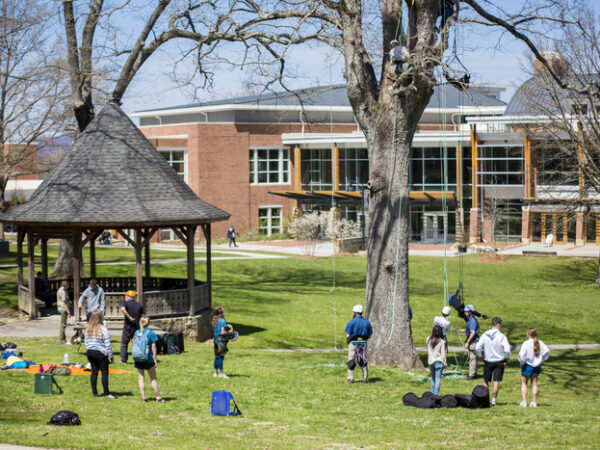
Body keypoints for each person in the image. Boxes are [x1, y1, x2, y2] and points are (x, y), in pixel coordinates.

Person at [475, 317, 511, 406]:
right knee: (496, 381)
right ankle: (494, 401)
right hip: (499, 360)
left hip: (488, 360)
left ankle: (485, 399)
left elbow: (477, 347)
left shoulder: (485, 334)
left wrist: (480, 356)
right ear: (498, 324)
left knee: (485, 380)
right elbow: (507, 349)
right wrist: (507, 358)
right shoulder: (502, 336)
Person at [133, 316, 164, 403]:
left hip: (138, 358)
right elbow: (154, 347)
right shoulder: (151, 333)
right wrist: (155, 359)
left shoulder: (136, 332)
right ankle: (158, 397)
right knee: (153, 378)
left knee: (141, 378)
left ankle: (143, 398)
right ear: (148, 323)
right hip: (148, 358)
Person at [84, 310, 114, 399]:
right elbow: (108, 344)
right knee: (104, 373)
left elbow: (86, 342)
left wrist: (89, 349)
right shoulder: (103, 329)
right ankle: (106, 393)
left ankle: (95, 392)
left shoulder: (88, 329)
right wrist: (110, 356)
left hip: (90, 352)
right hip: (100, 352)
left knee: (94, 372)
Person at [517, 328, 549, 408]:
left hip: (528, 364)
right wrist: (541, 359)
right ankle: (534, 402)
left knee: (524, 383)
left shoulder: (526, 343)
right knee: (534, 384)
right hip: (537, 365)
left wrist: (521, 362)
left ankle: (524, 402)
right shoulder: (540, 343)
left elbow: (521, 355)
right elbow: (547, 352)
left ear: (528, 334)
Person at [344, 304, 373, 384]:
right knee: (363, 361)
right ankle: (365, 377)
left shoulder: (352, 322)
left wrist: (347, 341)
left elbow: (348, 335)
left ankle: (350, 378)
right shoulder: (367, 322)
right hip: (363, 343)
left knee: (351, 361)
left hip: (353, 342)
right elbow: (370, 334)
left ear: (355, 313)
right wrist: (365, 340)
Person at [120, 290, 143, 364]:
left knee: (124, 344)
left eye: (126, 296)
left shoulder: (126, 303)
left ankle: (123, 360)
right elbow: (142, 316)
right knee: (136, 344)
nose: (125, 298)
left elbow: (122, 309)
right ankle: (138, 359)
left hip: (127, 327)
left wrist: (129, 317)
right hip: (136, 328)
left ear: (129, 296)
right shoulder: (139, 305)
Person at [457, 304, 479, 379]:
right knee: (473, 358)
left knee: (472, 359)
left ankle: (472, 375)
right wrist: (459, 330)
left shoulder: (473, 321)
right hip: (472, 342)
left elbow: (472, 333)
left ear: (470, 312)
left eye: (466, 312)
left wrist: (467, 342)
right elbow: (468, 330)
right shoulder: (469, 320)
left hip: (473, 342)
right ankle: (474, 373)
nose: (465, 313)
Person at [212, 305, 234, 378]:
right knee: (221, 357)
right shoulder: (222, 321)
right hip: (221, 341)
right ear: (221, 313)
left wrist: (227, 326)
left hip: (215, 340)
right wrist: (230, 330)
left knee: (216, 357)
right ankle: (221, 373)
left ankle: (215, 373)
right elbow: (223, 332)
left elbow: (218, 329)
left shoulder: (215, 319)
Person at [427, 325, 447, 395]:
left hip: (431, 361)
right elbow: (443, 354)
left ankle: (432, 394)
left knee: (433, 379)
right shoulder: (441, 341)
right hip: (439, 361)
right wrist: (445, 364)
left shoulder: (428, 340)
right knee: (438, 380)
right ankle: (435, 395)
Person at [56, 281, 71, 345]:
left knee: (63, 324)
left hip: (60, 308)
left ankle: (64, 339)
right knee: (63, 325)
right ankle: (62, 340)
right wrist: (68, 312)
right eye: (67, 286)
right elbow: (64, 303)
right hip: (63, 309)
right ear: (65, 286)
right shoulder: (63, 292)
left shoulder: (59, 290)